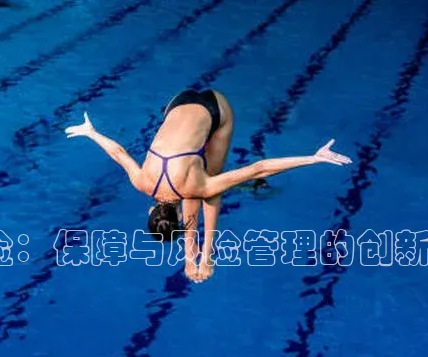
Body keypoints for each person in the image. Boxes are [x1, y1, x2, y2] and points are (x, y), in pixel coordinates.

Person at [64, 88, 351, 282]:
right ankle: (192, 254)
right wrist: (91, 132)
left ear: (179, 219)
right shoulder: (142, 182)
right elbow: (118, 153)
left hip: (216, 111)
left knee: (210, 185)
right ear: (151, 212)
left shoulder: (197, 188)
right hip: (177, 102)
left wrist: (315, 158)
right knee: (200, 184)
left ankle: (203, 254)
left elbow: (258, 170)